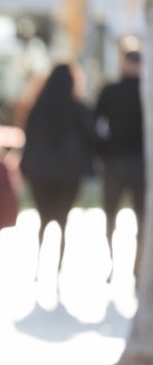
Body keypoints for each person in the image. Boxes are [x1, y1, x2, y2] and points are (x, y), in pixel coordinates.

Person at [20, 63, 95, 281]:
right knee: (62, 221)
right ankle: (58, 269)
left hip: (40, 171)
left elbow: (29, 139)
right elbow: (93, 137)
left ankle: (39, 265)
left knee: (43, 220)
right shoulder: (78, 108)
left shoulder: (39, 107)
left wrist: (26, 168)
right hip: (68, 173)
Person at [95, 46, 144, 281]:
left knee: (111, 216)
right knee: (141, 218)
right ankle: (136, 268)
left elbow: (95, 124)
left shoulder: (111, 90)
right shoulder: (145, 91)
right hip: (139, 162)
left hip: (115, 161)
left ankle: (116, 266)